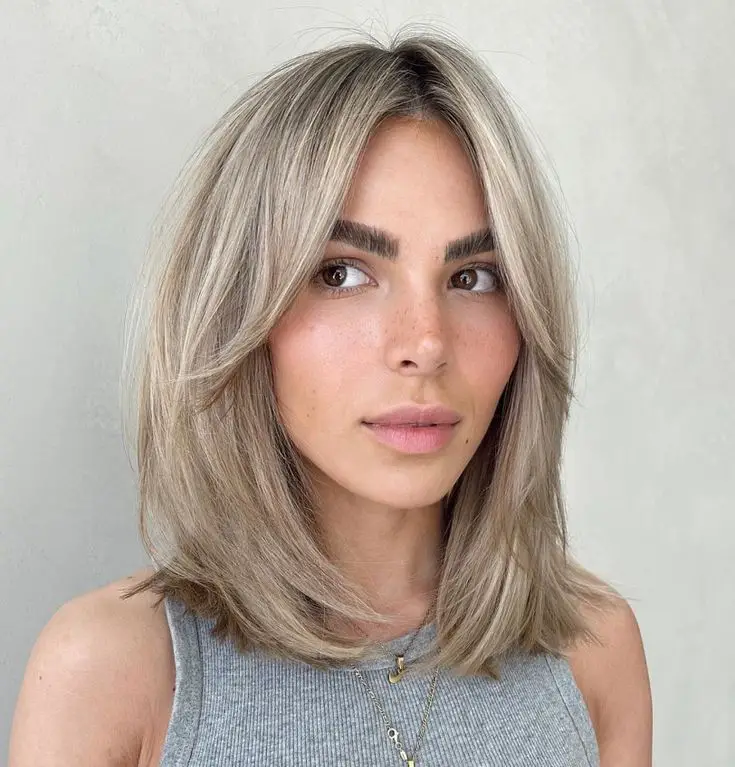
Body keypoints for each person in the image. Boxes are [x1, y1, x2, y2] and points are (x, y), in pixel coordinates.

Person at [8, 26, 652, 766]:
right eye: (342, 273)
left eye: (472, 276)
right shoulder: (114, 673)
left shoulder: (591, 649)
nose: (425, 342)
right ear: (238, 311)